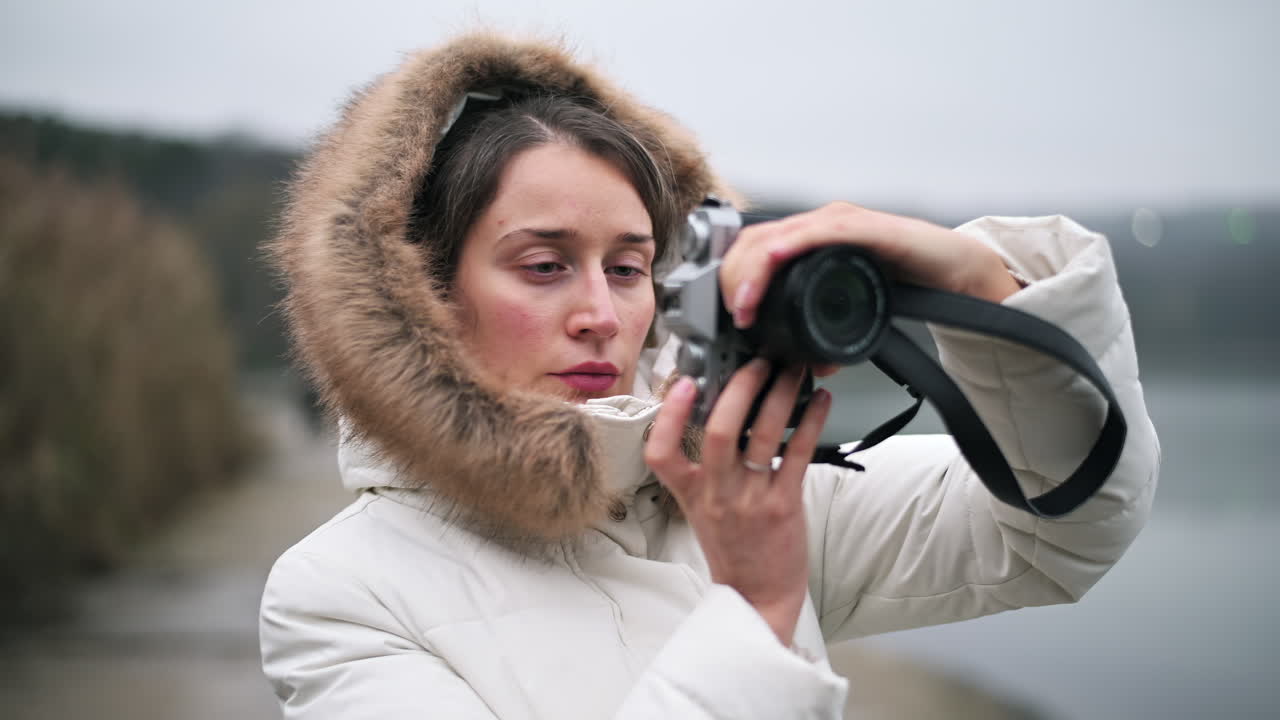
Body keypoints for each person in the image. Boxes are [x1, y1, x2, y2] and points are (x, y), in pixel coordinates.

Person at [259, 32, 1159, 719]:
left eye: (627, 267)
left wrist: (977, 276)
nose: (602, 315)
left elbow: (1066, 529)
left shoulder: (747, 496)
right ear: (422, 292)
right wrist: (758, 607)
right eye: (543, 265)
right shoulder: (341, 596)